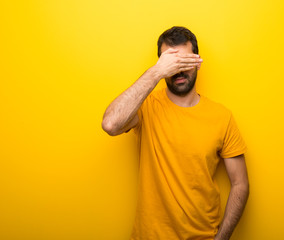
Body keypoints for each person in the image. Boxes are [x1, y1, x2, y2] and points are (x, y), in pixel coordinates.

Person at [102, 26, 249, 240]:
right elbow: (110, 124)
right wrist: (156, 72)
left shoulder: (222, 116)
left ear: (197, 62)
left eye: (184, 62)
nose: (178, 70)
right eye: (172, 63)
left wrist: (222, 238)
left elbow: (240, 183)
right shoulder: (146, 107)